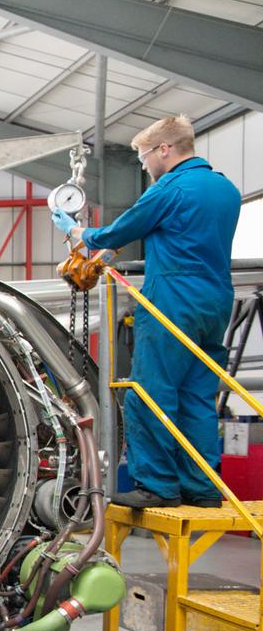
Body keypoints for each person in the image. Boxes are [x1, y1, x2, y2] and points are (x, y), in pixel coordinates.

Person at [52, 115, 241, 508]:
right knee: (197, 396)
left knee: (149, 392)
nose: (144, 165)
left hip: (173, 296)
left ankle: (156, 485)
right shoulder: (226, 189)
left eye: (143, 156)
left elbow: (116, 232)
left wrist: (74, 231)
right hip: (217, 299)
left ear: (165, 149)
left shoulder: (170, 188)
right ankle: (203, 488)